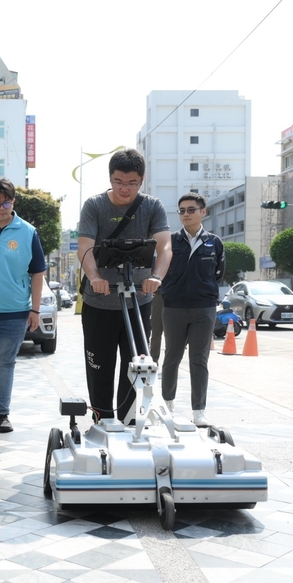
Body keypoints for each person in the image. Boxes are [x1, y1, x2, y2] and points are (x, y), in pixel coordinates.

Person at [76, 148, 171, 421]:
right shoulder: (95, 206)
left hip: (138, 300)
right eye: (118, 182)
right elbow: (85, 247)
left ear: (141, 180)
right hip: (100, 302)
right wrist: (95, 277)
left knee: (135, 365)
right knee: (99, 367)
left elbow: (165, 246)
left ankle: (129, 421)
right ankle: (102, 420)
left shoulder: (152, 206)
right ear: (110, 178)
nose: (124, 189)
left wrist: (156, 277)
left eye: (132, 183)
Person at [0, 177, 45, 433]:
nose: (0, 209)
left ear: (13, 202)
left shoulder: (28, 232)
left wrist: (35, 309)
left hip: (13, 313)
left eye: (5, 203)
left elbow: (37, 272)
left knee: (3, 364)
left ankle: (1, 413)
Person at [159, 193, 225, 427]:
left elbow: (218, 272)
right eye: (182, 211)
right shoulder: (170, 241)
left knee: (199, 360)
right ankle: (167, 404)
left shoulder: (214, 242)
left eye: (190, 210)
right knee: (172, 357)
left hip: (203, 309)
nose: (185, 214)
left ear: (202, 212)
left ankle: (199, 410)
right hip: (174, 307)